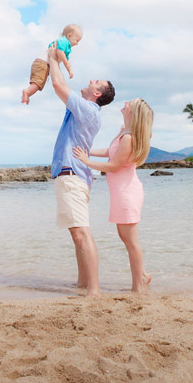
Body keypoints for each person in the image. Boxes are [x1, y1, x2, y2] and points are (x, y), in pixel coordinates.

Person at [46, 43, 114, 297]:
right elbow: (61, 87)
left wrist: (54, 58)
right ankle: (82, 284)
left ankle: (93, 290)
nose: (92, 80)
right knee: (77, 234)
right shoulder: (85, 110)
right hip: (74, 176)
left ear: (97, 94)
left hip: (72, 176)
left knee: (81, 234)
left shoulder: (87, 109)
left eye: (97, 82)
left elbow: (58, 87)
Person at [73, 98, 153, 293]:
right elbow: (110, 153)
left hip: (127, 193)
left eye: (130, 103)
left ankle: (138, 286)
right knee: (124, 236)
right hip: (121, 193)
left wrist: (86, 162)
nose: (126, 103)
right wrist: (87, 152)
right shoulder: (123, 132)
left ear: (133, 112)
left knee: (130, 239)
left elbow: (114, 166)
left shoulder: (129, 138)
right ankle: (142, 276)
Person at [21, 24, 83, 105]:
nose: (77, 43)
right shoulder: (63, 41)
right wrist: (68, 66)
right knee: (37, 83)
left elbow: (66, 59)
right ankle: (27, 91)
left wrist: (69, 70)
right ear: (69, 35)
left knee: (39, 84)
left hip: (43, 64)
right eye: (77, 40)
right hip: (43, 63)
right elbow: (60, 53)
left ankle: (27, 94)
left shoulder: (66, 47)